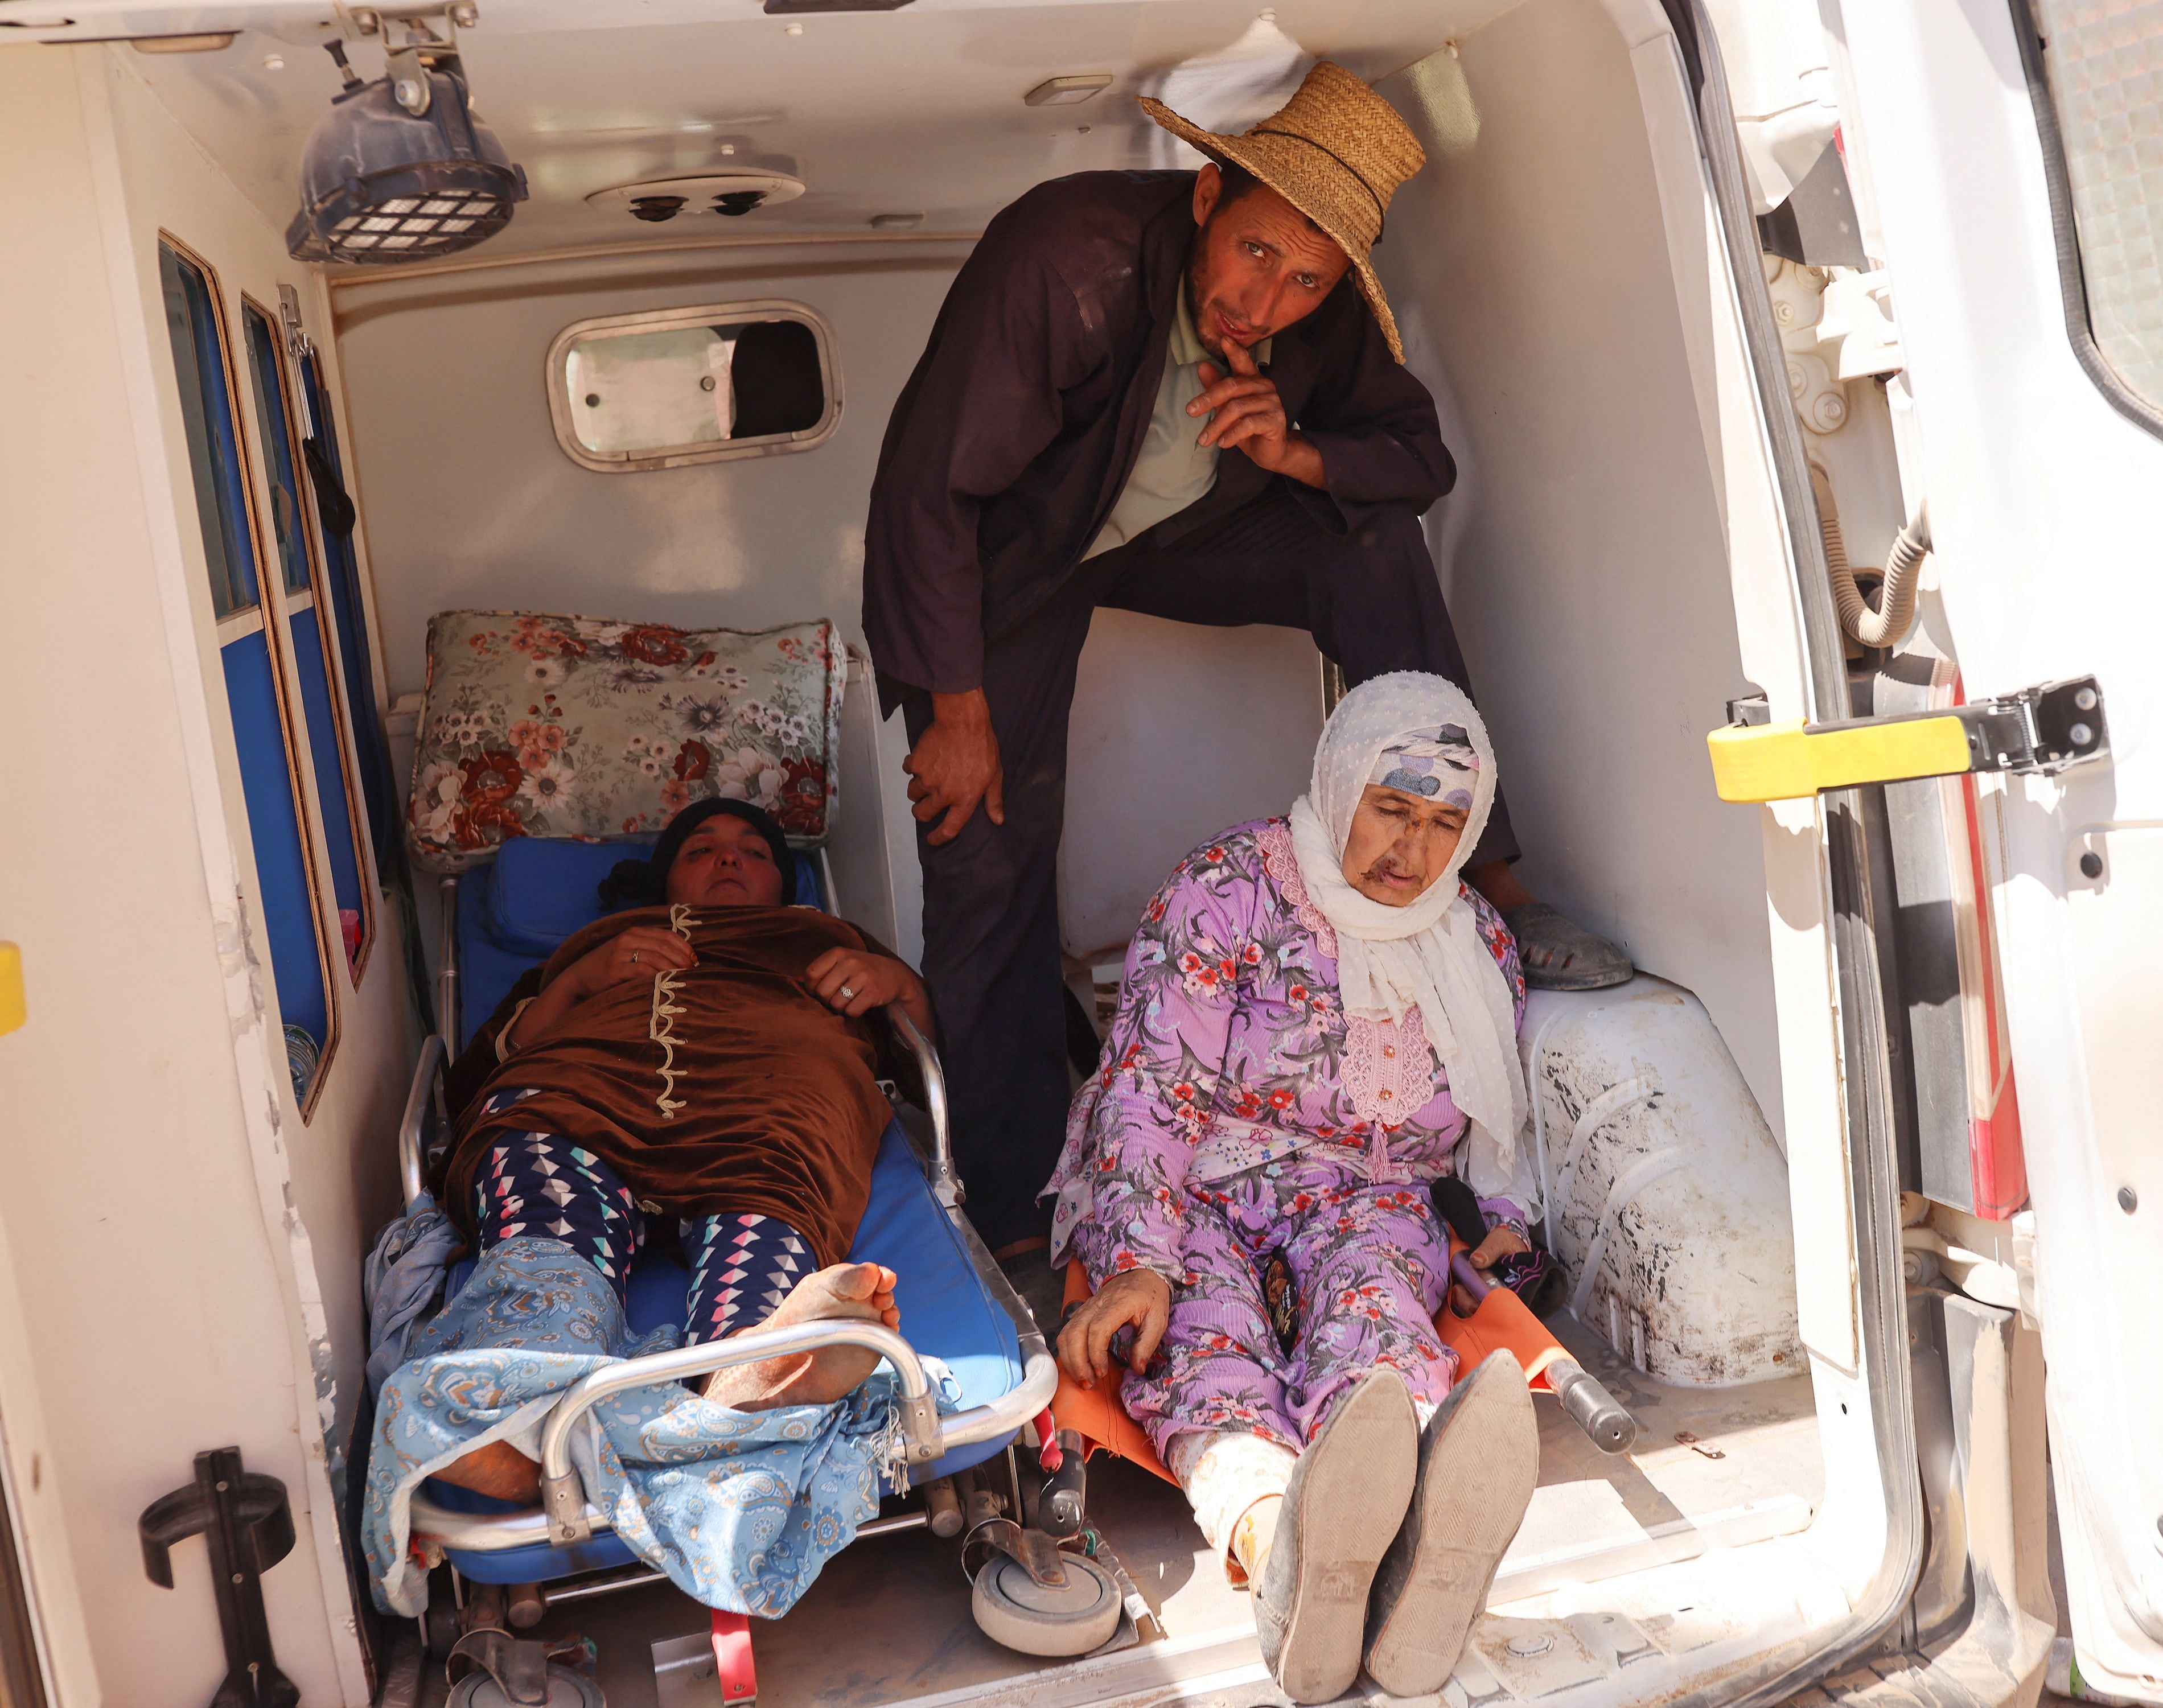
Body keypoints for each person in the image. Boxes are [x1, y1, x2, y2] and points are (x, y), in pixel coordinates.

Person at [863, 60, 1633, 1260]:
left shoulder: (1315, 322)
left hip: (1170, 538)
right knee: (986, 850)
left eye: (1309, 280)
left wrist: (1301, 453)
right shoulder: (1070, 256)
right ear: (1210, 195)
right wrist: (954, 710)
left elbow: (1416, 460)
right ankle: (1015, 1223)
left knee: (1371, 541)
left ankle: (1491, 879)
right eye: (1259, 255)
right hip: (1008, 571)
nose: (1269, 299)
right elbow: (925, 487)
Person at [1047, 673, 1543, 1702]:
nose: (1414, 850)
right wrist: (1138, 1259)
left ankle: (1410, 1554)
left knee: (1381, 1323)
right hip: (1199, 1183)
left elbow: (1491, 1134)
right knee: (1201, 1333)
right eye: (1393, 809)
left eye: (1447, 822)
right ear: (1338, 782)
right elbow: (1152, 1084)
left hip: (1373, 1197)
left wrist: (1496, 1232)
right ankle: (1287, 1558)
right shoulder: (1226, 888)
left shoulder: (1478, 942)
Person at [427, 799, 930, 1500]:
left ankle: (748, 1368)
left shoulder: (825, 940)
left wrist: (899, 985)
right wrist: (584, 978)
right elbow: (475, 1079)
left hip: (769, 1105)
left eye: (755, 850)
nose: (729, 857)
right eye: (701, 849)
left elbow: (928, 1064)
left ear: (785, 886)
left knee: (771, 1203)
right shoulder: (600, 943)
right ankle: (526, 1401)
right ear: (663, 881)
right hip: (584, 1092)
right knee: (546, 1212)